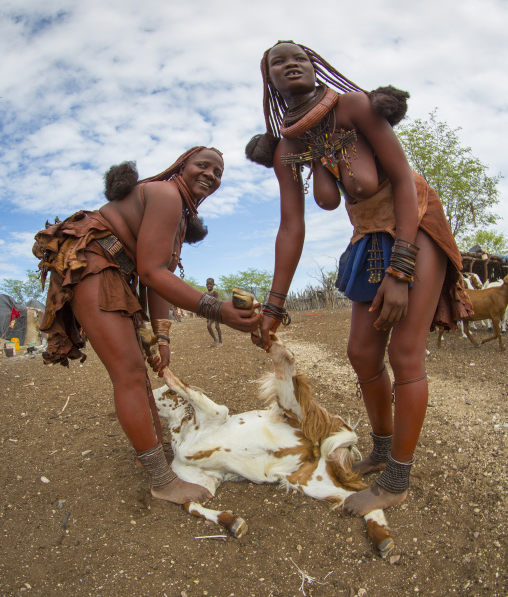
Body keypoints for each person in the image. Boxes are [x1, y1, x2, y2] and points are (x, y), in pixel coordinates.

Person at [246, 41, 472, 516]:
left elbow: (405, 181)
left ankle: (396, 480)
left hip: (416, 225)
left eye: (300, 57)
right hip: (369, 234)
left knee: (404, 351)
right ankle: (384, 449)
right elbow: (291, 226)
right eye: (277, 61)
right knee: (361, 351)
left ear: (316, 67)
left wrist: (401, 268)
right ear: (268, 79)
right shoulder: (290, 145)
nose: (290, 63)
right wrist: (272, 305)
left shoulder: (354, 107)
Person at [33, 146, 259, 505]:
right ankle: (161, 479)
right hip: (93, 261)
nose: (211, 175)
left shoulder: (178, 215)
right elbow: (153, 273)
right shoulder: (167, 194)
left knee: (137, 370)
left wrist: (162, 339)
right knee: (130, 373)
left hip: (112, 271)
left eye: (218, 173)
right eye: (203, 165)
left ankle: (157, 456)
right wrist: (220, 311)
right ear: (181, 167)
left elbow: (157, 279)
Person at [205, 278, 223, 346]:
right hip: (209, 313)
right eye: (207, 284)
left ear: (213, 285)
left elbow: (216, 301)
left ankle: (220, 341)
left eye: (210, 284)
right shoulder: (205, 293)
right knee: (208, 326)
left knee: (217, 326)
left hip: (215, 311)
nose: (209, 285)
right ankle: (215, 338)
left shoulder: (215, 292)